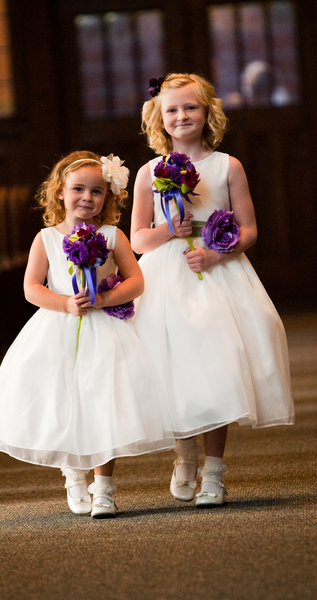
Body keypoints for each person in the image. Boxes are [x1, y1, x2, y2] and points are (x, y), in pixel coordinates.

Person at [131, 73, 294, 507]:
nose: (182, 115)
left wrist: (215, 255)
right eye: (172, 110)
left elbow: (250, 230)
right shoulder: (150, 172)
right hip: (168, 273)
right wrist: (169, 229)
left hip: (216, 270)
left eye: (191, 107)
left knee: (217, 365)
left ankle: (215, 471)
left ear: (207, 113)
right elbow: (137, 239)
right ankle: (184, 453)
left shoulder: (227, 166)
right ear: (159, 118)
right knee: (175, 365)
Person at [0, 150, 174, 518]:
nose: (87, 198)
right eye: (78, 189)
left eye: (97, 191)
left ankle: (104, 488)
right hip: (57, 328)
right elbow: (31, 288)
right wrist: (66, 304)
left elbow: (136, 281)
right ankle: (73, 474)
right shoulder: (47, 239)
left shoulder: (112, 235)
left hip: (104, 331)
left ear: (109, 196)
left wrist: (105, 297)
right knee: (65, 402)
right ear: (59, 192)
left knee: (106, 403)